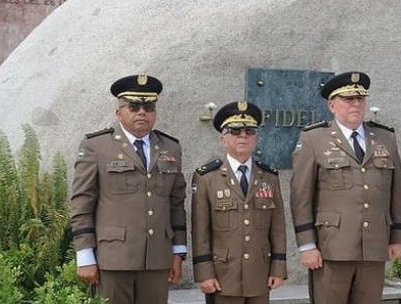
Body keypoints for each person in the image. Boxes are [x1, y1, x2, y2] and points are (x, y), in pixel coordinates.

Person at [290, 71, 401, 304]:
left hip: (374, 246)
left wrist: (398, 237)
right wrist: (307, 245)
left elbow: (398, 192)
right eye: (348, 99)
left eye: (360, 99)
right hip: (331, 248)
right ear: (332, 105)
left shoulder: (385, 138)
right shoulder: (315, 139)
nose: (355, 103)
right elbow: (301, 196)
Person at [70, 74, 187, 304]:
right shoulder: (96, 146)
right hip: (113, 259)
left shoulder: (171, 147)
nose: (142, 112)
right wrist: (85, 256)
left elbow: (176, 205)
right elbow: (81, 204)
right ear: (119, 112)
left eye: (148, 106)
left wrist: (178, 253)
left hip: (156, 259)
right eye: (133, 106)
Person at [190, 101, 286, 304]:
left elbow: (277, 227)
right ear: (222, 139)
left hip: (259, 275)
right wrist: (204, 273)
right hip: (223, 276)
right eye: (235, 131)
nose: (243, 135)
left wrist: (279, 267)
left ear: (255, 137)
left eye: (249, 130)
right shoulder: (206, 178)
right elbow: (200, 232)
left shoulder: (269, 177)